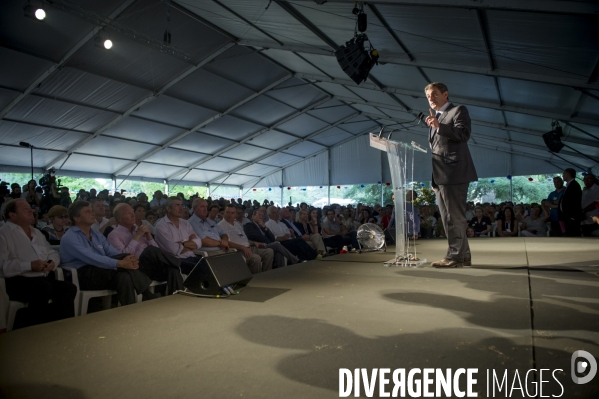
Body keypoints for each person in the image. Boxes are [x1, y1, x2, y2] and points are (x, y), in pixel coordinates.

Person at [60, 201, 158, 306]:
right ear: (77, 218)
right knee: (123, 267)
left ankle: (130, 310)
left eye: (92, 211)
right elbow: (92, 258)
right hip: (82, 274)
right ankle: (146, 294)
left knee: (124, 276)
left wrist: (128, 259)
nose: (92, 213)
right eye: (88, 212)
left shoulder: (96, 234)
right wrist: (120, 263)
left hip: (101, 270)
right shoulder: (70, 237)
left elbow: (112, 252)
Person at [0, 199, 76, 329]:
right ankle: (35, 330)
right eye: (25, 209)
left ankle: (62, 328)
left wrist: (52, 262)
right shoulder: (4, 233)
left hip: (43, 278)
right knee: (42, 288)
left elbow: (52, 252)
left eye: (30, 207)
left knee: (68, 288)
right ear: (12, 215)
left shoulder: (37, 232)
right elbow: (2, 266)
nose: (32, 210)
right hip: (17, 281)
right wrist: (29, 265)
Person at [425, 82, 477, 267]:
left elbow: (464, 134)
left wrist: (439, 126)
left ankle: (454, 257)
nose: (431, 98)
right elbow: (438, 150)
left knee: (454, 217)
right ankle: (464, 255)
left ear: (445, 94)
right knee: (448, 218)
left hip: (455, 173)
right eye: (428, 95)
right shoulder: (435, 117)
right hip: (440, 176)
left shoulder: (458, 111)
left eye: (434, 94)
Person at [107, 204, 183, 294]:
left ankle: (178, 298)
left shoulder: (139, 229)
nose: (133, 215)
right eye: (128, 214)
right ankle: (179, 263)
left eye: (132, 212)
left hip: (152, 266)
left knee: (172, 269)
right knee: (149, 250)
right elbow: (124, 256)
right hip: (136, 269)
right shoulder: (114, 235)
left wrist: (149, 238)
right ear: (119, 218)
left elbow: (157, 252)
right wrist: (137, 236)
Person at [154, 197, 203, 275]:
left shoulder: (185, 223)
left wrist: (183, 243)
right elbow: (173, 249)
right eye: (177, 205)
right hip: (175, 261)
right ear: (168, 209)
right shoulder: (161, 226)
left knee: (212, 265)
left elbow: (199, 243)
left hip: (191, 256)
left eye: (182, 205)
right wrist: (189, 242)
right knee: (203, 269)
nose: (181, 208)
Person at [218, 204, 273, 273]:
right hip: (237, 250)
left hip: (248, 247)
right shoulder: (221, 225)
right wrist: (242, 248)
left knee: (269, 252)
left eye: (232, 213)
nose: (230, 215)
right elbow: (226, 242)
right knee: (256, 258)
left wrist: (254, 243)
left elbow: (244, 239)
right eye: (228, 212)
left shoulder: (237, 224)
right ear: (224, 213)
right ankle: (256, 280)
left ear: (235, 214)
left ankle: (266, 274)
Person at [558, 168, 582, 237]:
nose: (562, 176)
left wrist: (572, 216)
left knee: (573, 233)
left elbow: (574, 201)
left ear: (568, 175)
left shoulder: (574, 185)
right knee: (569, 233)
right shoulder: (569, 185)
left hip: (571, 216)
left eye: (564, 174)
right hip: (567, 216)